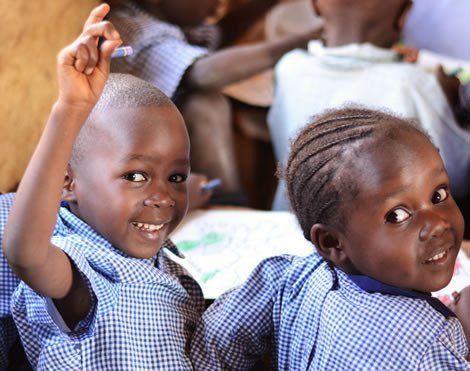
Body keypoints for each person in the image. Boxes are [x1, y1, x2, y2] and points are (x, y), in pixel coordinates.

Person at [2, 4, 205, 369]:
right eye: (136, 177)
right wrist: (71, 107)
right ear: (68, 182)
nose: (162, 197)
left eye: (176, 178)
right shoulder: (89, 272)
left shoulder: (166, 268)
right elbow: (26, 253)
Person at [190, 107, 470, 369]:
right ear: (331, 242)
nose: (436, 224)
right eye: (397, 215)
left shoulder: (289, 277)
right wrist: (463, 336)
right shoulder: (428, 341)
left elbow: (217, 338)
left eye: (439, 195)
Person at [107, 0, 322, 202]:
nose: (219, 3)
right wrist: (296, 43)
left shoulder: (168, 18)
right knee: (205, 105)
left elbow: (219, 36)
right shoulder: (128, 27)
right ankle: (227, 201)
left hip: (158, 145)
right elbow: (202, 74)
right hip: (128, 154)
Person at [267, 0, 469, 210]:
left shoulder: (289, 69)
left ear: (314, 6)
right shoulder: (415, 84)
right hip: (379, 238)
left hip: (288, 224)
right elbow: (456, 177)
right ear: (404, 16)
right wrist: (451, 101)